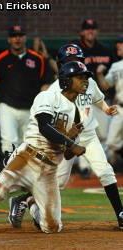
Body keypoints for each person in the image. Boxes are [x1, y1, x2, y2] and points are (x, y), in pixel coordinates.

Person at [8, 44, 123, 231]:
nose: (75, 64)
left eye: (78, 60)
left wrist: (106, 109)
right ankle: (24, 199)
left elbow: (97, 98)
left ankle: (120, 214)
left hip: (88, 134)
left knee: (105, 171)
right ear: (61, 65)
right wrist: (63, 141)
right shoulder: (53, 91)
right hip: (66, 139)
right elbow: (47, 122)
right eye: (70, 61)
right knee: (58, 182)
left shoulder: (89, 82)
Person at [0, 60, 88, 233]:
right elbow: (44, 126)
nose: (85, 81)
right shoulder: (48, 96)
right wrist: (70, 142)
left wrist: (71, 144)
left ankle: (32, 207)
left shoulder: (76, 112)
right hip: (27, 158)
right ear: (66, 80)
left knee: (52, 227)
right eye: (80, 77)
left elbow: (67, 155)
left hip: (48, 171)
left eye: (85, 77)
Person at [0, 25, 51, 159]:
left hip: (31, 109)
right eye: (14, 36)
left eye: (20, 35)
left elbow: (46, 83)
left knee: (30, 144)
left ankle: (25, 177)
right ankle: (11, 176)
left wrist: (43, 104)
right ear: (9, 39)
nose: (17, 39)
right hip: (7, 107)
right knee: (9, 143)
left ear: (25, 38)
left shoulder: (38, 59)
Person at [73, 18, 114, 177]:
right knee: (84, 133)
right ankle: (84, 167)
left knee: (103, 134)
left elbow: (109, 82)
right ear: (82, 31)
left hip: (100, 97)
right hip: (82, 98)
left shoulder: (104, 50)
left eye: (93, 28)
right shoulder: (76, 49)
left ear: (96, 31)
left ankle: (98, 166)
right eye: (87, 29)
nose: (90, 31)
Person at [96, 35, 123, 164]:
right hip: (120, 108)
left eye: (121, 44)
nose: (118, 46)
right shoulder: (116, 66)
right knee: (111, 142)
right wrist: (99, 74)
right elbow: (106, 85)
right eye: (118, 44)